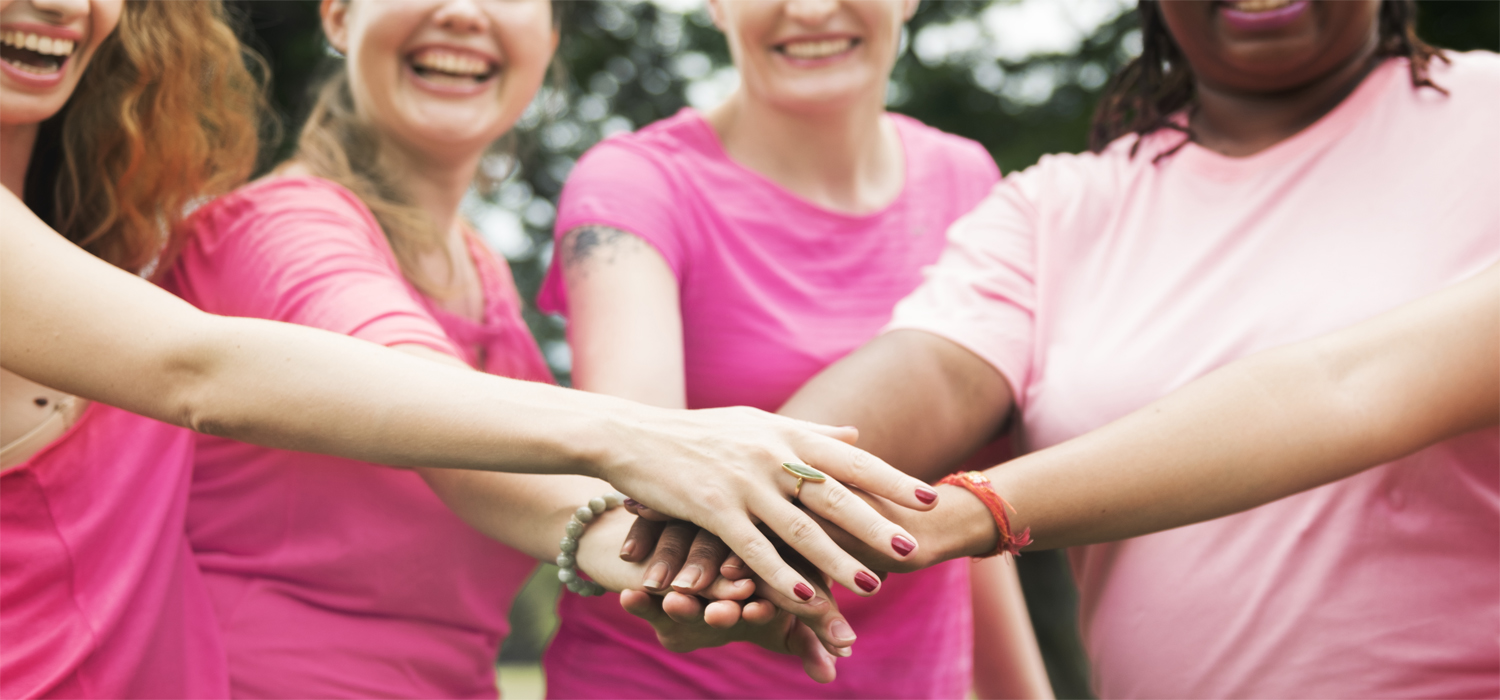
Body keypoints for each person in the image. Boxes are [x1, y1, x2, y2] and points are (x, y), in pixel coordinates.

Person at [0, 0, 937, 695]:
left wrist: (678, 568)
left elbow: (521, 487)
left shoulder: (484, 269)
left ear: (551, 37)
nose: (463, 11)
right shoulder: (279, 227)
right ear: (336, 13)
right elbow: (406, 413)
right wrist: (649, 445)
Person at [626, 0, 1500, 696]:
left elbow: (1350, 389)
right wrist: (735, 525)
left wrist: (971, 513)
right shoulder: (1060, 208)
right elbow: (929, 369)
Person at [538, 0, 1049, 696]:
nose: (808, 9)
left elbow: (956, 507)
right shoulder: (634, 186)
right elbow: (638, 460)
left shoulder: (967, 179)